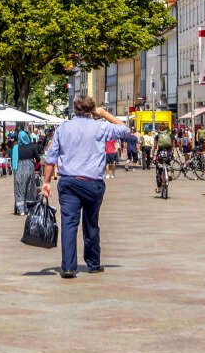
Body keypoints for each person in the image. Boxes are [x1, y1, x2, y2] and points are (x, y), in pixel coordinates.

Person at [40, 96, 138, 278]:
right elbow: (126, 130)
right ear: (92, 110)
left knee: (69, 224)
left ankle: (68, 267)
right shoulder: (100, 127)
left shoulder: (63, 128)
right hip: (93, 183)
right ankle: (93, 263)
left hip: (68, 181)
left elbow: (51, 159)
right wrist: (103, 113)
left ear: (74, 109)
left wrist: (46, 182)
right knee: (91, 223)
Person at [12, 124, 39, 215]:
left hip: (19, 169)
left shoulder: (16, 148)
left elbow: (13, 160)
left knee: (19, 189)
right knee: (29, 188)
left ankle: (21, 210)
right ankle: (29, 208)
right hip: (29, 169)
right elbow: (38, 159)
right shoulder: (32, 146)